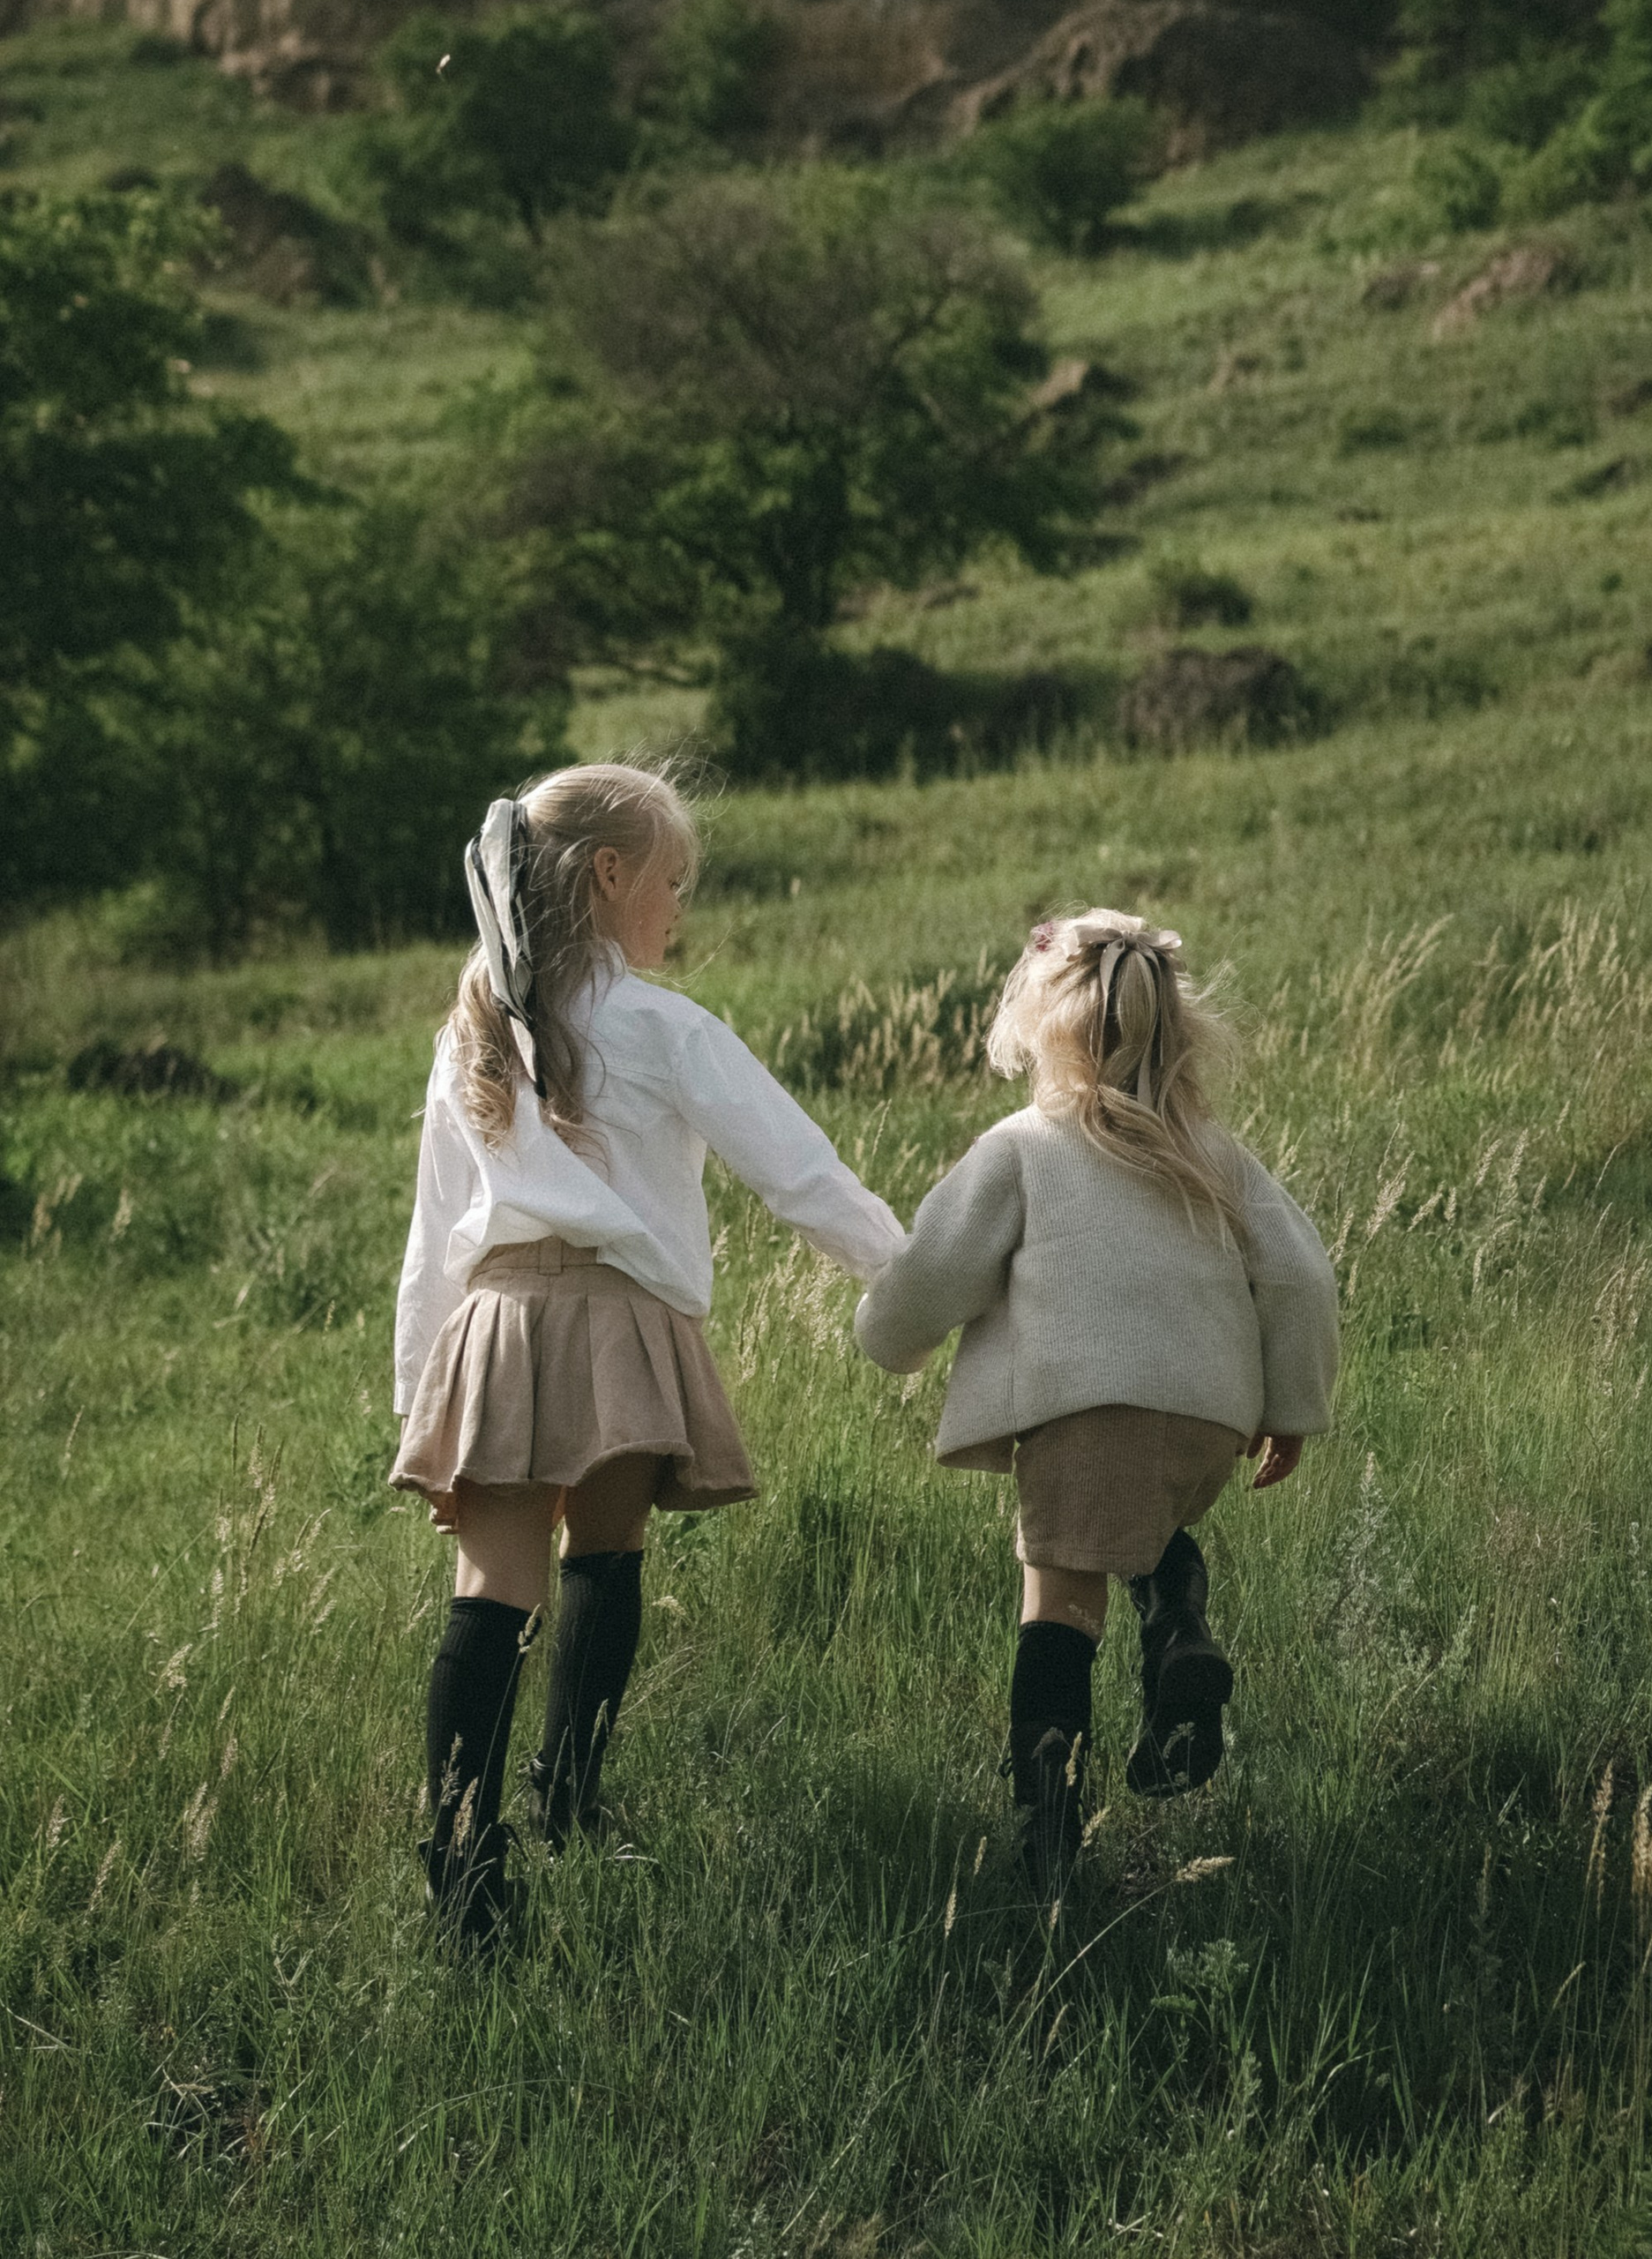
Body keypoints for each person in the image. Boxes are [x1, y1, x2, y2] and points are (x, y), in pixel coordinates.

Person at [392, 762, 905, 1945]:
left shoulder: (473, 1029)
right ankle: (567, 1796)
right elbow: (805, 1179)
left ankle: (463, 1862)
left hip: (498, 1327)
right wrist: (922, 1283)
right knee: (605, 1556)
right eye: (673, 881)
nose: (682, 908)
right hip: (620, 1324)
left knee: (493, 1589)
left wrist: (423, 1395)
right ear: (611, 876)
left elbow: (433, 1239)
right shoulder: (665, 1026)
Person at [854, 909, 1340, 1899]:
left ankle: (1047, 1849)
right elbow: (1299, 1276)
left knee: (1059, 1604)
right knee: (1140, 1521)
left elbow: (933, 1268)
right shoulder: (1214, 1151)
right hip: (1210, 1417)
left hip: (1084, 1405)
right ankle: (1176, 1628)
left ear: (1045, 1029)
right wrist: (1290, 1403)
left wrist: (885, 1338)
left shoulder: (1025, 1144)